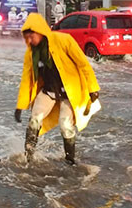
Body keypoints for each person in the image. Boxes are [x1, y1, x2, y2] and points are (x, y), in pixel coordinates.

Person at [15, 13, 101, 165]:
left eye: (31, 36)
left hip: (70, 92)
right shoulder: (31, 54)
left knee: (65, 124)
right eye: (26, 37)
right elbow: (26, 79)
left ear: (40, 31)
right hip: (49, 91)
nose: (29, 40)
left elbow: (83, 64)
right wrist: (21, 106)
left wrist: (93, 88)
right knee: (34, 120)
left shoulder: (64, 40)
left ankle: (70, 161)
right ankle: (28, 158)